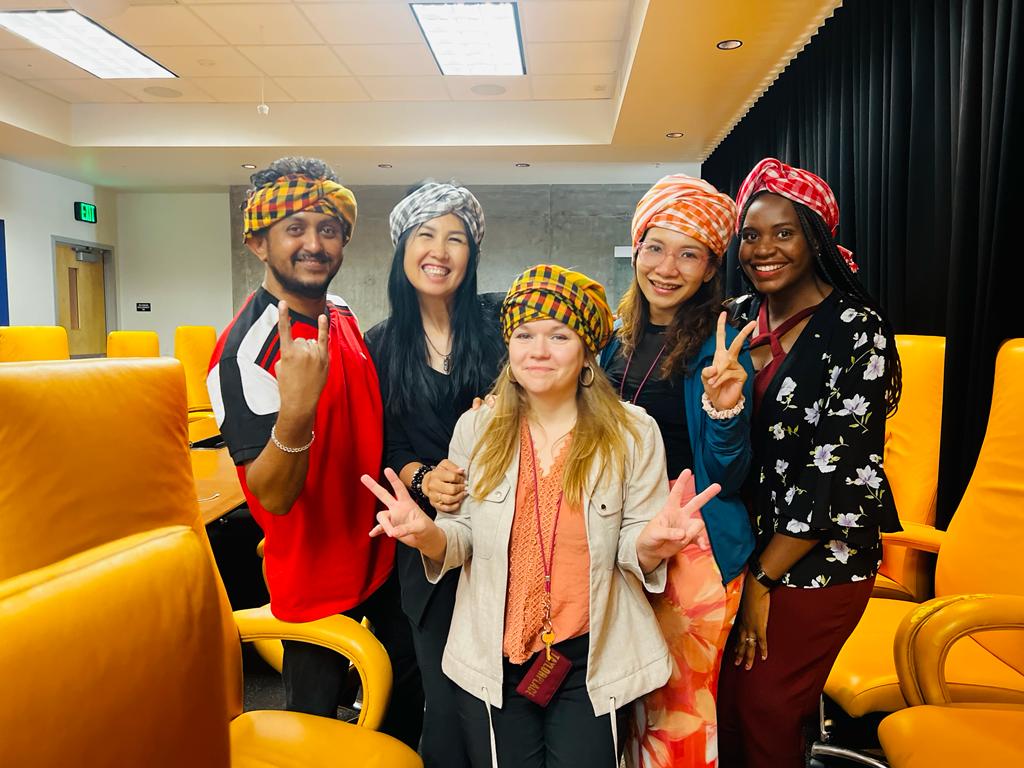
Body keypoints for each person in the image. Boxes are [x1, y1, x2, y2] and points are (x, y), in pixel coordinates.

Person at [362, 264, 725, 768]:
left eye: (559, 335)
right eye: (525, 335)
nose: (538, 350)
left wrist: (653, 543)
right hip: (493, 654)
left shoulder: (632, 433)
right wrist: (427, 535)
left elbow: (632, 542)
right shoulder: (478, 427)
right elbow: (462, 538)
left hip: (590, 656)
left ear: (586, 354)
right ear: (508, 347)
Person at [206, 156, 422, 748]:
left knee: (406, 706)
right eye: (294, 228)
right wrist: (297, 410)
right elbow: (272, 496)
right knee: (316, 731)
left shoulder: (342, 314)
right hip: (314, 582)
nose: (314, 244)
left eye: (328, 230)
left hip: (382, 555)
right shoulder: (243, 354)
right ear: (258, 242)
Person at [715, 158, 903, 768]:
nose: (763, 249)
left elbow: (837, 469)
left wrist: (763, 582)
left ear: (816, 238)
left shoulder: (857, 330)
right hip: (745, 546)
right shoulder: (739, 318)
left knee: (767, 706)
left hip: (821, 556)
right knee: (725, 707)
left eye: (783, 232)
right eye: (750, 235)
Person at [599, 174, 756, 768]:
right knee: (628, 708)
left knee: (677, 717)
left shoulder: (718, 346)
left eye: (689, 253)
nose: (668, 267)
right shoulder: (618, 337)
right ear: (636, 249)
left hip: (693, 543)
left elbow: (728, 476)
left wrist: (723, 408)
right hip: (625, 538)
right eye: (656, 247)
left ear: (711, 267)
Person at [364, 181, 505, 768]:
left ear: (472, 254)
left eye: (456, 239)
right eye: (425, 235)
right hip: (425, 538)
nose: (440, 251)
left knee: (503, 695)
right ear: (402, 250)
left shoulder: (499, 324)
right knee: (442, 700)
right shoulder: (381, 343)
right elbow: (385, 441)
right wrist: (424, 477)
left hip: (505, 533)